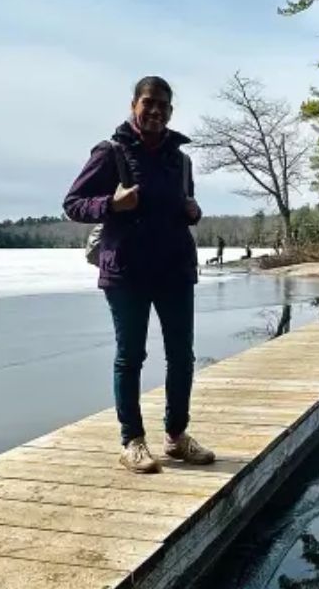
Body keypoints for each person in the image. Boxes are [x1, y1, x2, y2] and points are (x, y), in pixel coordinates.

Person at [63, 76, 215, 474]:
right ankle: (132, 441)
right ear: (134, 105)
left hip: (175, 270)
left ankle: (176, 437)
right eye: (149, 103)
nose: (156, 111)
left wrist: (193, 212)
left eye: (163, 105)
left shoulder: (179, 159)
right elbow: (73, 203)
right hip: (127, 271)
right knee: (131, 356)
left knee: (182, 356)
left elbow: (184, 203)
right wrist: (110, 204)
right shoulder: (110, 152)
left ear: (171, 111)